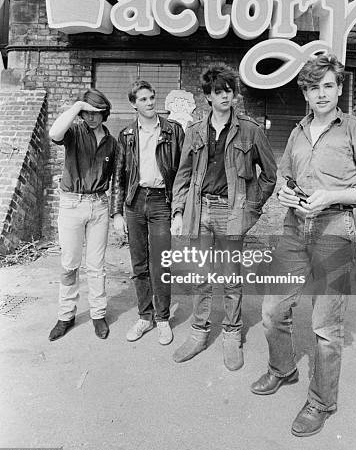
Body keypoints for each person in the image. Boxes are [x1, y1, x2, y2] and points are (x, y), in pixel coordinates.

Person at [250, 53, 356, 437]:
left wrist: (331, 196)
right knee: (272, 310)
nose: (322, 93)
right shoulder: (297, 132)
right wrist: (288, 196)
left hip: (335, 229)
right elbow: (284, 178)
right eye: (314, 87)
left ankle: (321, 402)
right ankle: (283, 369)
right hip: (295, 229)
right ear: (306, 94)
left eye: (329, 85)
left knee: (326, 326)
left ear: (339, 89)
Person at [171, 64, 277, 370]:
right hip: (199, 209)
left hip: (231, 212)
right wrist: (179, 210)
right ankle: (199, 332)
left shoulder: (250, 130)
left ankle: (232, 334)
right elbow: (183, 175)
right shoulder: (194, 131)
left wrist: (250, 211)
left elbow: (269, 176)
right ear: (208, 96)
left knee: (230, 277)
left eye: (229, 90)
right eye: (219, 91)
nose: (226, 97)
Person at [111, 80, 184, 345]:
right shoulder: (127, 134)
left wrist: (179, 210)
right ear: (133, 104)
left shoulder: (173, 131)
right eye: (143, 99)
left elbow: (182, 174)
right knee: (139, 263)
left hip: (161, 201)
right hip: (134, 201)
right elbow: (119, 176)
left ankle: (163, 318)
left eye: (152, 97)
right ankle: (145, 316)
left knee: (161, 262)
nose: (150, 102)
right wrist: (116, 213)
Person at [48, 89, 116, 341]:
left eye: (96, 113)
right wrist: (76, 105)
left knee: (96, 266)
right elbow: (54, 133)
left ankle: (98, 314)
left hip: (98, 205)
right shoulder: (74, 132)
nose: (90, 118)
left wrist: (115, 212)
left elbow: (114, 178)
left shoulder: (112, 142)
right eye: (86, 113)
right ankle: (66, 315)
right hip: (72, 204)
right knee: (69, 264)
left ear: (104, 113)